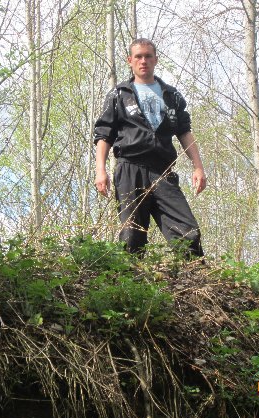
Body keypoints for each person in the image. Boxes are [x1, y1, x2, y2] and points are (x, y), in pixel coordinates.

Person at [94, 38, 206, 258]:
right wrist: (100, 170)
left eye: (148, 56)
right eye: (138, 56)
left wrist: (198, 167)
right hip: (130, 168)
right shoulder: (119, 94)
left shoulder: (171, 96)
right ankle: (130, 278)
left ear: (155, 60)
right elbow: (104, 134)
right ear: (130, 60)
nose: (143, 61)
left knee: (187, 232)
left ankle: (193, 275)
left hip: (162, 170)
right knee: (131, 235)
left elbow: (184, 132)